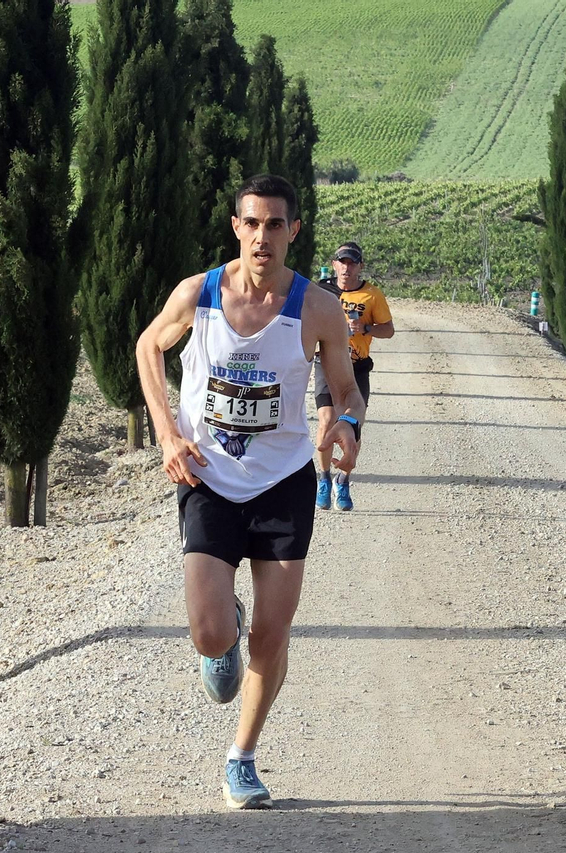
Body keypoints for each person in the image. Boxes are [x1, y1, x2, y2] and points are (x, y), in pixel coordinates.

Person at [135, 174, 366, 810]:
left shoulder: (317, 309)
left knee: (272, 633)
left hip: (284, 481)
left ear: (294, 231)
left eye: (275, 225)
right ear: (236, 227)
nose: (262, 237)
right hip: (208, 477)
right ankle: (224, 627)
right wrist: (166, 433)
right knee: (211, 636)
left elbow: (347, 390)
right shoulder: (199, 294)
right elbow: (148, 346)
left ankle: (242, 757)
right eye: (252, 223)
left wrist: (347, 425)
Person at [313, 241, 394, 511]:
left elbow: (388, 330)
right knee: (326, 420)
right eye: (342, 262)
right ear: (334, 265)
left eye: (352, 263)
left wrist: (366, 328)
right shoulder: (321, 290)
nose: (346, 268)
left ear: (360, 266)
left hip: (357, 367)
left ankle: (343, 480)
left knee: (352, 426)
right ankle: (324, 478)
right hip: (326, 363)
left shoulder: (372, 295)